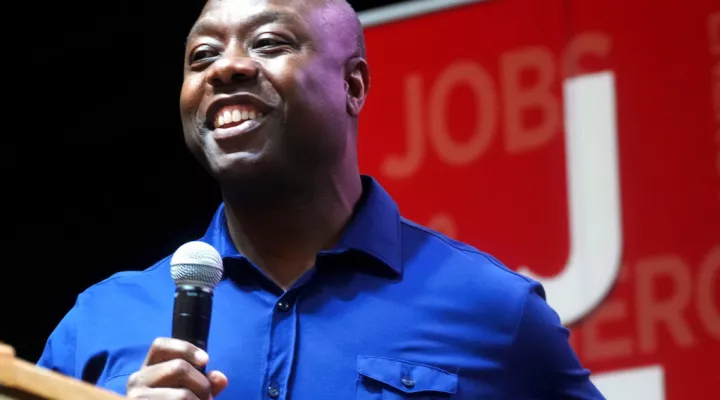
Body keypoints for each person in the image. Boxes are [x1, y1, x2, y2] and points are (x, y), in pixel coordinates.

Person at [37, 0, 606, 399]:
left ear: (352, 86)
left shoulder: (495, 312)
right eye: (201, 55)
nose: (227, 67)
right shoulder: (99, 323)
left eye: (268, 42)